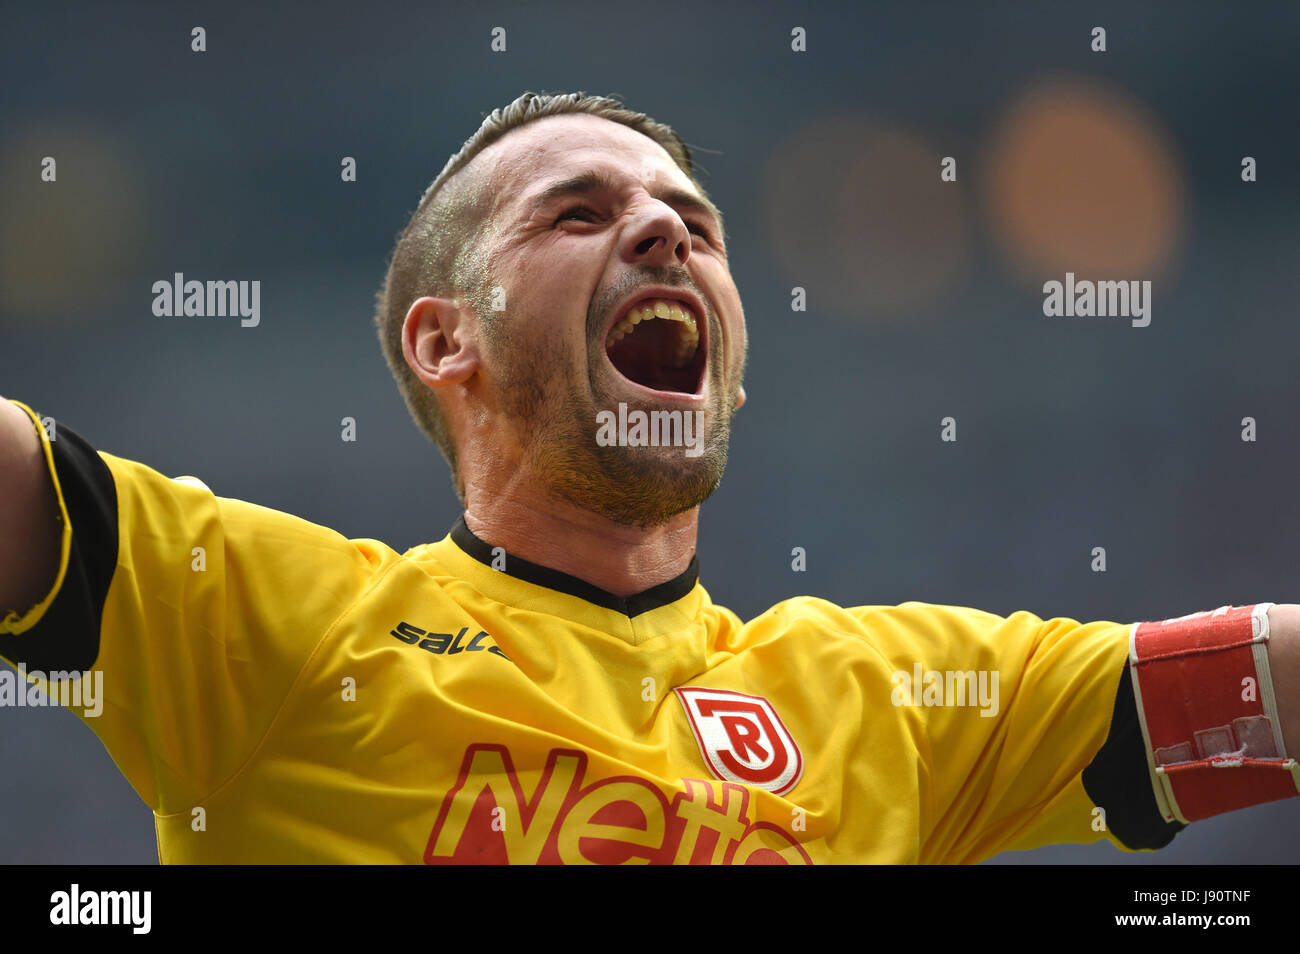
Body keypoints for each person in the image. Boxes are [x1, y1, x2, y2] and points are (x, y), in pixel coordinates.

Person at [1, 91, 1296, 864]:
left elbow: (1258, 693)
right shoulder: (282, 628)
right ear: (446, 340)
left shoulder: (893, 701)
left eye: (695, 223)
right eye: (578, 212)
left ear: (731, 369)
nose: (665, 228)